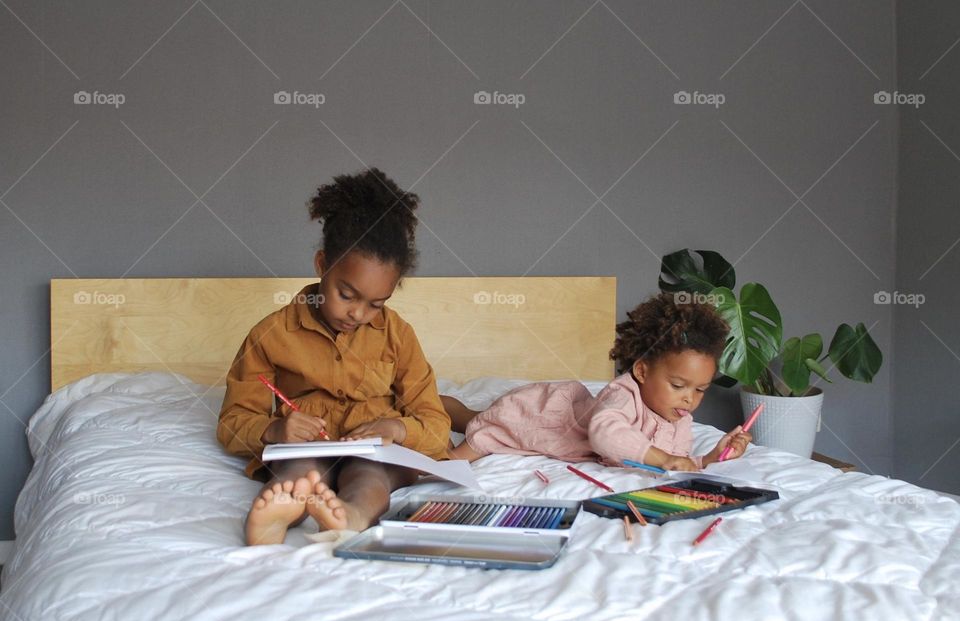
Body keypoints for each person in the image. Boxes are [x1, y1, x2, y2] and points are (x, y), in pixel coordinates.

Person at [217, 167, 450, 545]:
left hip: (374, 454)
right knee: (301, 471)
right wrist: (274, 430)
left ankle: (351, 517)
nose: (358, 314)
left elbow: (436, 424)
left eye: (376, 304)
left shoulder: (398, 336)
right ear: (323, 265)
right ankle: (270, 521)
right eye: (347, 295)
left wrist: (397, 428)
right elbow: (232, 421)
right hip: (307, 448)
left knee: (371, 476)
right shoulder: (270, 335)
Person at [444, 292, 751, 471]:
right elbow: (608, 435)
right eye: (678, 385)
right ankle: (429, 404)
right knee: (461, 451)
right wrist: (665, 458)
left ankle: (444, 409)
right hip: (535, 415)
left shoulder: (678, 418)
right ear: (642, 372)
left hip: (552, 423)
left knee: (470, 418)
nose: (689, 399)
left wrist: (712, 458)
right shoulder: (622, 395)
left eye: (700, 390)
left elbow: (676, 466)